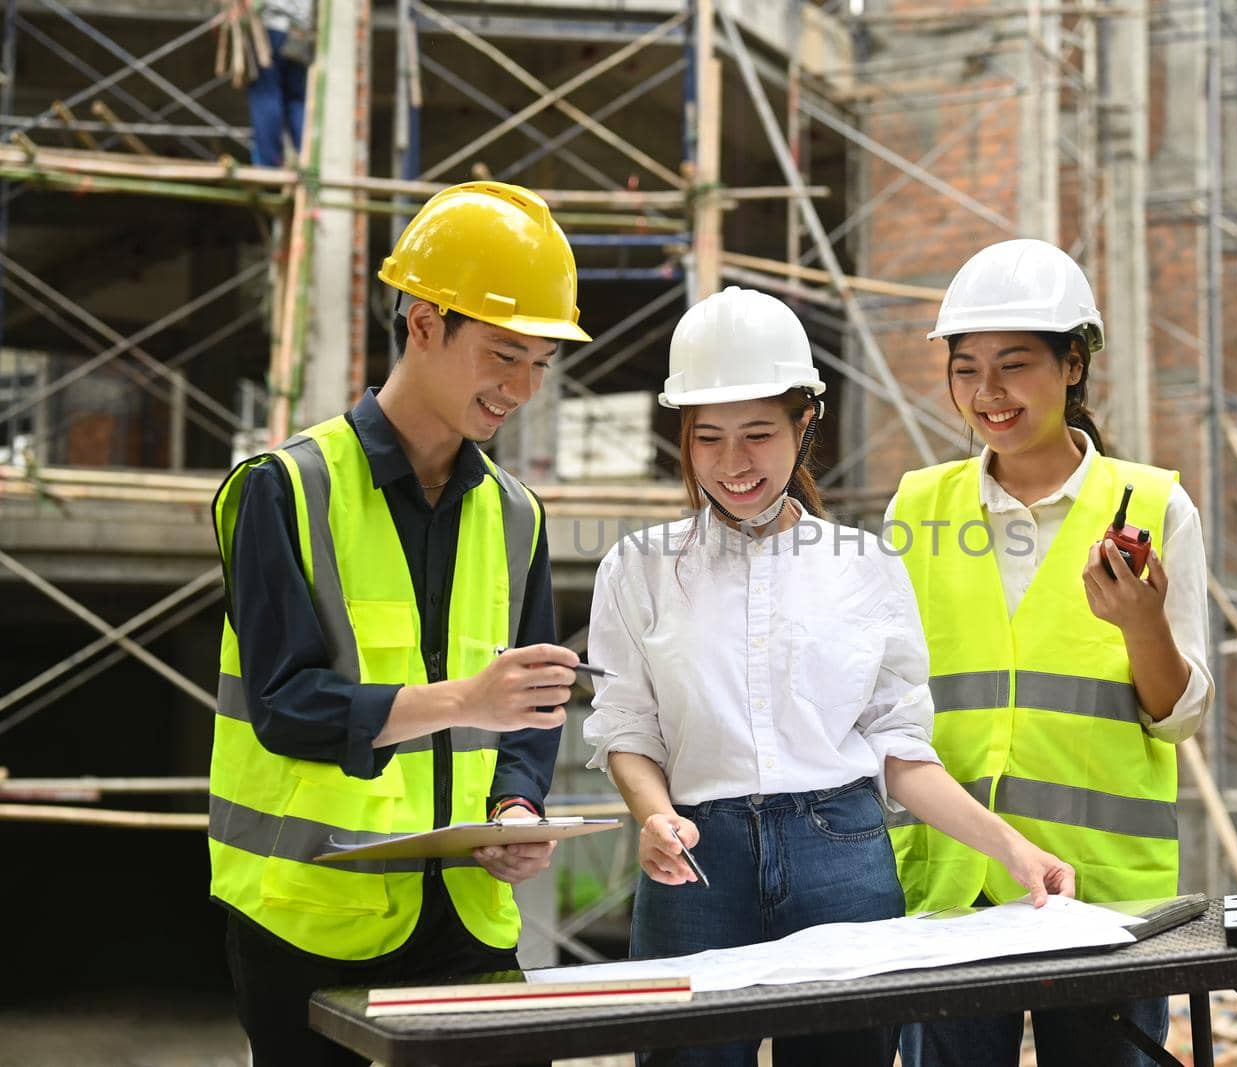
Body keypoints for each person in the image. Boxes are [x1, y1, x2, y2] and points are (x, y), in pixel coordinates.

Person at [583, 286, 1075, 1067]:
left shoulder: (867, 568)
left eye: (757, 434)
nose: (733, 463)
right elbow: (627, 727)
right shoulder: (636, 569)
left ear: (804, 421)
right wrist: (652, 814)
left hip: (841, 852)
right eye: (708, 438)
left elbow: (901, 750)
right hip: (695, 860)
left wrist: (1012, 848)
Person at [208, 180, 593, 1067]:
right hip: (312, 918)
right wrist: (467, 699)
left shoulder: (518, 515)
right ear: (423, 324)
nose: (522, 389)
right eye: (504, 354)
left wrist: (518, 802)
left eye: (540, 363)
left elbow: (534, 709)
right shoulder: (283, 490)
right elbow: (285, 704)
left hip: (469, 915)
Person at [888, 239, 1215, 1067]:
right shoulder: (919, 504)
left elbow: (1179, 718)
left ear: (1074, 364)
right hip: (953, 882)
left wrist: (1142, 622)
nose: (987, 393)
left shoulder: (1149, 504)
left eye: (1015, 364)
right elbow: (880, 696)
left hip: (1106, 894)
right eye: (966, 369)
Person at [246, 1, 314, 167]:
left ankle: (268, 164)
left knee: (265, 95)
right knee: (296, 100)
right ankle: (306, 160)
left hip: (268, 26)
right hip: (300, 31)